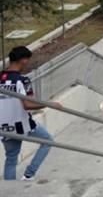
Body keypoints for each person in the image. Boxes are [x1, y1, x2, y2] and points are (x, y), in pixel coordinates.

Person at [1, 46, 60, 181]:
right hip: (22, 124)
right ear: (23, 60)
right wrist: (50, 104)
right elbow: (28, 104)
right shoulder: (22, 80)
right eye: (27, 60)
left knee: (11, 158)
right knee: (47, 141)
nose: (28, 63)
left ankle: (9, 191)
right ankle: (29, 174)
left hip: (4, 126)